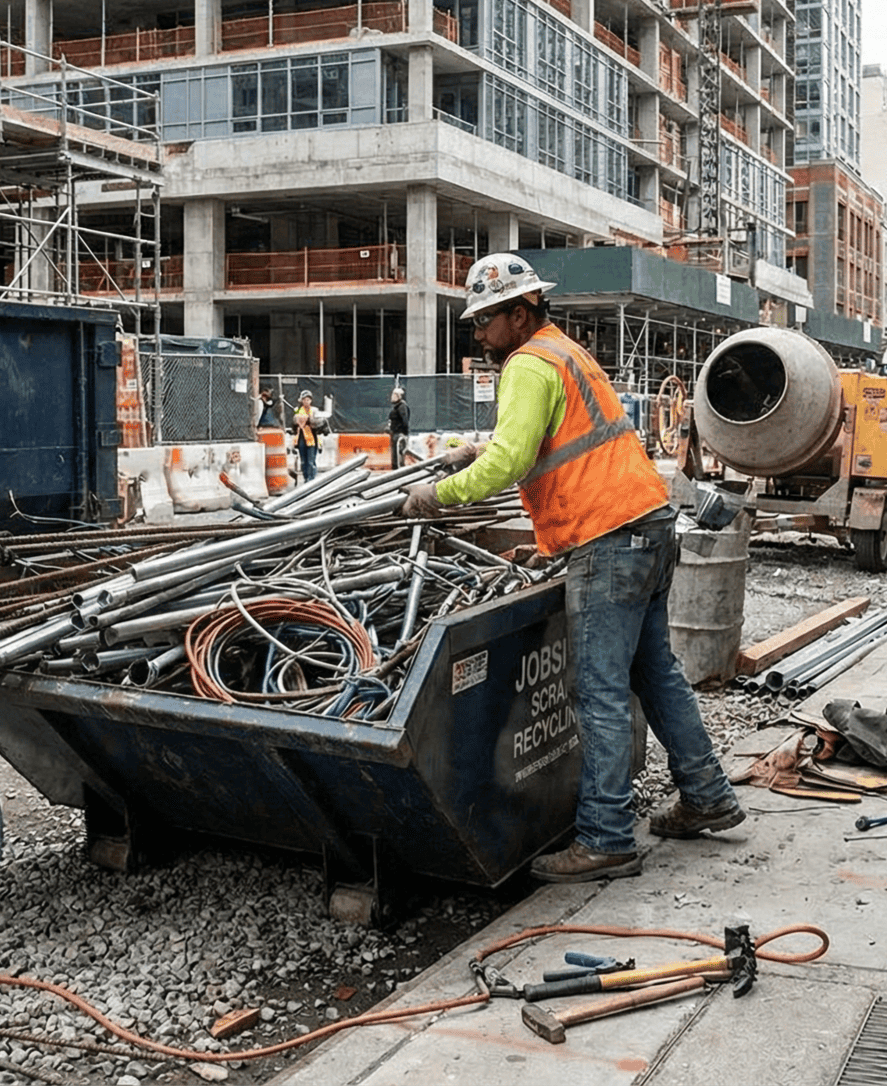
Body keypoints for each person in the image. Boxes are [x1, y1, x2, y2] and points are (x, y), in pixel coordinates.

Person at [400, 253, 743, 884]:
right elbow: (556, 445)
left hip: (609, 539)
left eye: (485, 320)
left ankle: (607, 839)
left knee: (600, 692)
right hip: (645, 524)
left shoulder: (528, 364)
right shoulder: (565, 352)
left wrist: (438, 496)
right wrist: (483, 456)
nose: (478, 334)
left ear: (519, 313)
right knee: (656, 674)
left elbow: (511, 462)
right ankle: (707, 795)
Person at [292, 389, 332, 482]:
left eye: (308, 399)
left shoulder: (314, 410)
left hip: (312, 438)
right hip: (301, 438)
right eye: (304, 399)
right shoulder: (298, 410)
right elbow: (294, 422)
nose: (306, 401)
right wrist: (299, 419)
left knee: (311, 460)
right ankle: (306, 478)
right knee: (303, 460)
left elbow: (319, 423)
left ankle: (311, 479)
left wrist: (310, 419)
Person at [387, 386, 411, 470]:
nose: (392, 396)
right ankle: (396, 468)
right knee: (395, 454)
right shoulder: (397, 407)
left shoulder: (402, 407)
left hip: (399, 434)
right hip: (395, 433)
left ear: (399, 396)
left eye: (394, 394)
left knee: (398, 454)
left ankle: (398, 469)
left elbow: (405, 421)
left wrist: (404, 434)